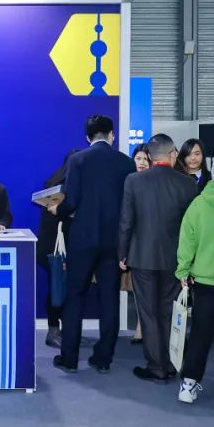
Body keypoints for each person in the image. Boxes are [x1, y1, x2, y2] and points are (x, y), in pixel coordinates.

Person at [48, 115, 136, 374]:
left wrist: (57, 210)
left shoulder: (78, 160)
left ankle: (69, 358)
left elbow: (72, 200)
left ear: (88, 137)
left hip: (82, 240)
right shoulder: (126, 162)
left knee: (75, 297)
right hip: (113, 241)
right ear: (111, 135)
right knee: (109, 299)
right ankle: (103, 359)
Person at [118, 133, 198, 383]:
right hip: (174, 259)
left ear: (151, 157)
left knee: (148, 313)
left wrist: (122, 253)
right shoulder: (187, 184)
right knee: (169, 311)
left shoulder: (134, 180)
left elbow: (126, 221)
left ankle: (157, 366)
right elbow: (192, 228)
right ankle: (171, 362)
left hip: (142, 257)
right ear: (173, 154)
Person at [175, 178, 214, 405]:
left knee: (201, 333)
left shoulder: (199, 204)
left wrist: (183, 270)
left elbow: (187, 240)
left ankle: (188, 385)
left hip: (206, 280)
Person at [36, 151, 77, 348]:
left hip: (68, 246)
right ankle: (53, 330)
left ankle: (68, 331)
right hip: (55, 248)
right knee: (57, 289)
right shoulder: (57, 186)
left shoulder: (75, 183)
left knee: (68, 291)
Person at [128, 143, 150, 345]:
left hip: (150, 242)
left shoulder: (154, 183)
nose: (142, 163)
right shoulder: (128, 181)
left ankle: (142, 326)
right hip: (131, 241)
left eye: (146, 159)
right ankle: (141, 325)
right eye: (138, 158)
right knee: (137, 288)